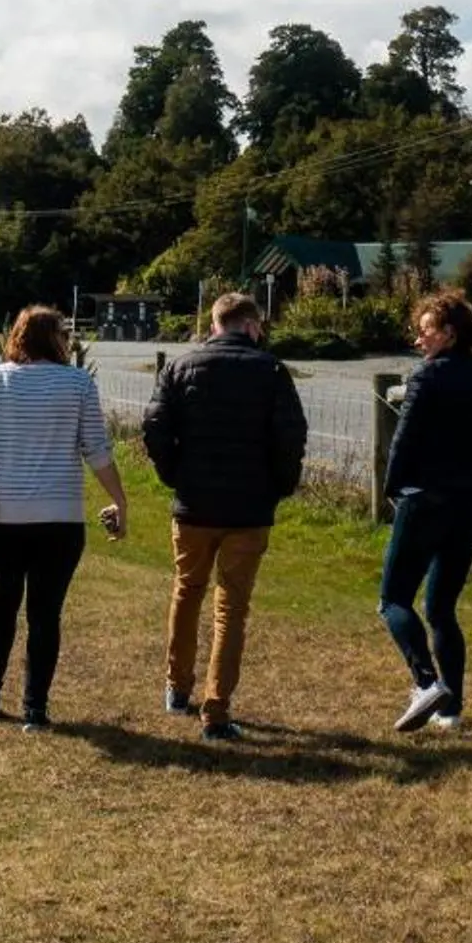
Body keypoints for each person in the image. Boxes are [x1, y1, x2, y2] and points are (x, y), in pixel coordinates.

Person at [140, 291, 308, 742]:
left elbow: (154, 427)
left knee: (186, 590)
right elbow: (291, 435)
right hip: (249, 508)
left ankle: (177, 687)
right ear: (251, 325)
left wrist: (174, 474)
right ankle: (216, 708)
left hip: (194, 503)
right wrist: (280, 485)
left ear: (215, 324)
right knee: (231, 607)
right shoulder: (271, 371)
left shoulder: (180, 366)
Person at [0, 304, 130, 731]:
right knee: (45, 613)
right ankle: (35, 706)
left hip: (3, 515)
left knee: (2, 604)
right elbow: (96, 452)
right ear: (57, 340)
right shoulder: (77, 384)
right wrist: (119, 500)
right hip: (60, 519)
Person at [380, 289, 472, 733]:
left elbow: (404, 439)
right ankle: (450, 710)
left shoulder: (426, 378)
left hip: (425, 498)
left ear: (448, 335)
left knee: (394, 598)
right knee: (440, 608)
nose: (419, 341)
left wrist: (392, 487)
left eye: (425, 332)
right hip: (469, 503)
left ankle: (426, 682)